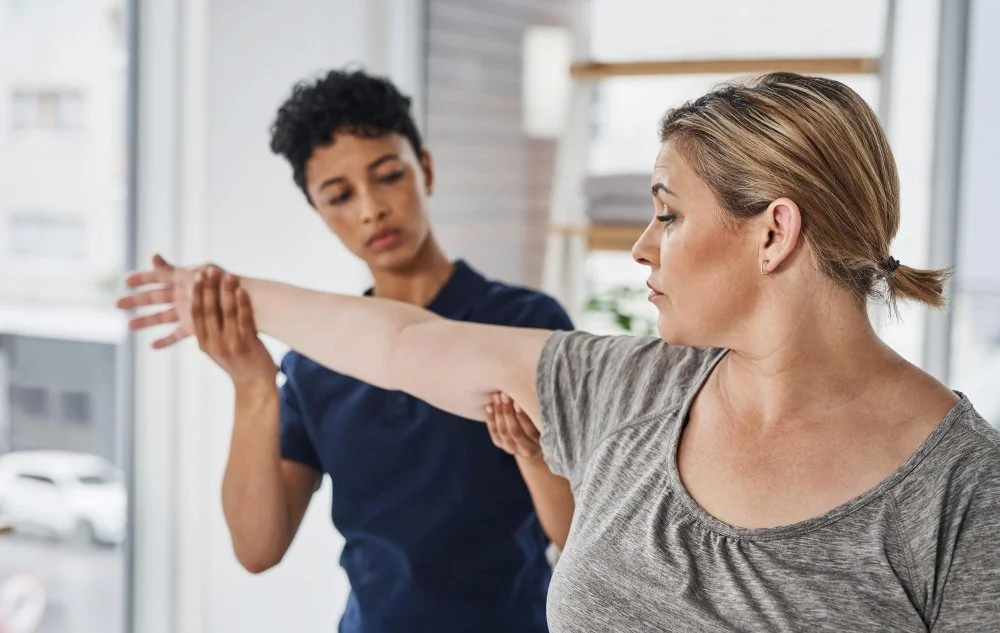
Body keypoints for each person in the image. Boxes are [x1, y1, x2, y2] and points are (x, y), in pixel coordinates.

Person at [119, 72, 1000, 631]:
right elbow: (397, 342)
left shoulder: (964, 491)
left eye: (668, 211)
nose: (643, 248)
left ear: (773, 233)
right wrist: (232, 297)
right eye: (337, 193)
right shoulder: (626, 386)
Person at [141, 69, 577, 633]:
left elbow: (576, 537)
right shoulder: (315, 362)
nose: (371, 209)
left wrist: (534, 454)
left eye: (388, 176)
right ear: (318, 211)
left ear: (426, 170)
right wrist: (251, 384)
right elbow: (257, 547)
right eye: (340, 195)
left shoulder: (525, 324)